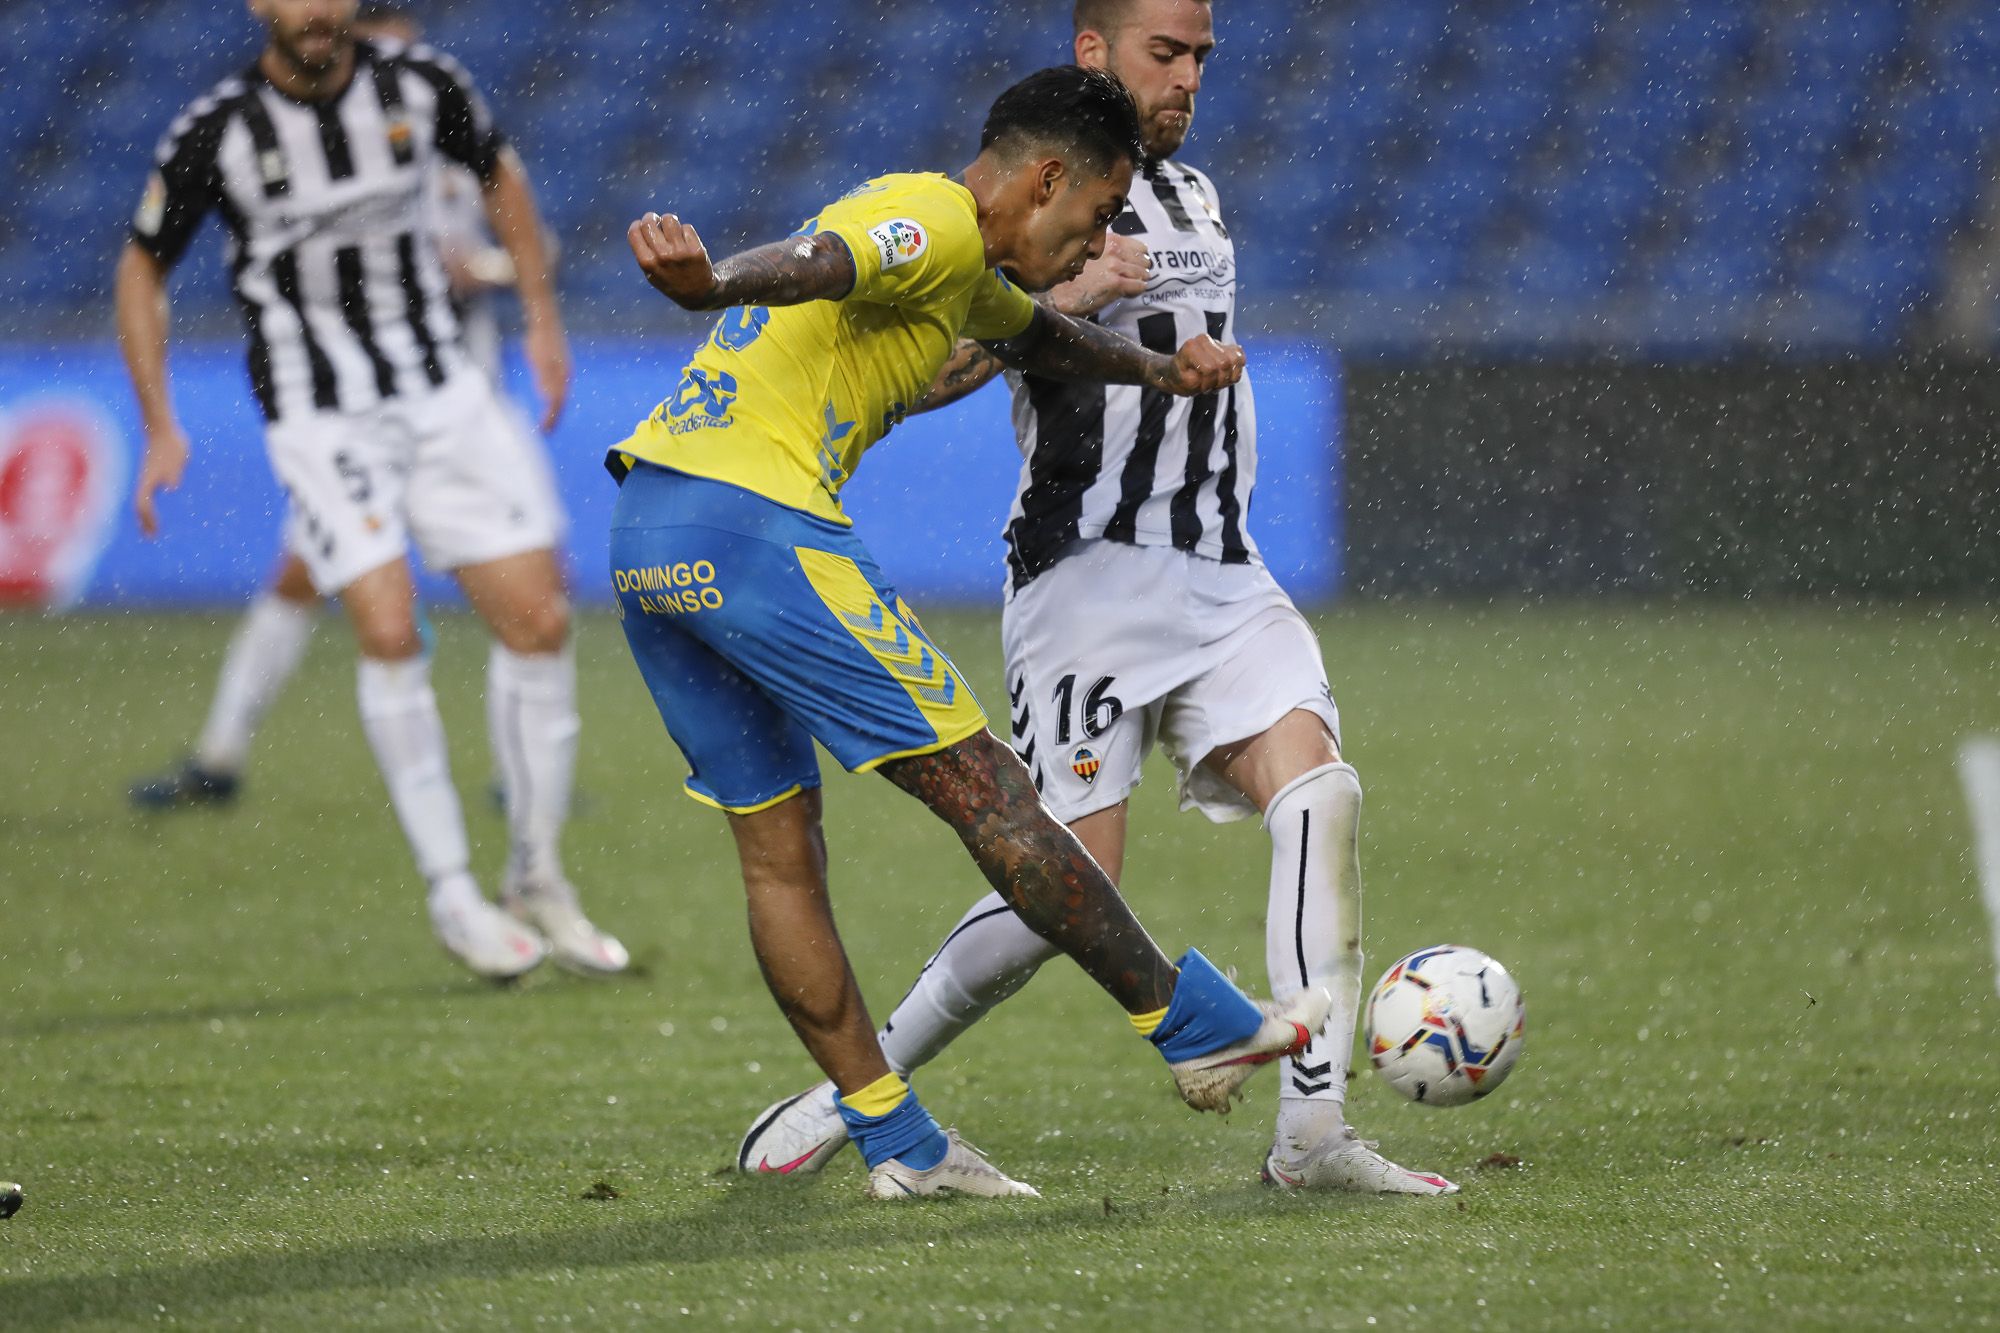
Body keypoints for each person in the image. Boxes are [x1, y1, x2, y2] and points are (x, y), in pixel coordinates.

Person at [736, 0, 1457, 1196]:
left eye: (1198, 60)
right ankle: (848, 1097)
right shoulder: (1035, 205)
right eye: (1161, 54)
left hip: (1221, 571)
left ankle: (1311, 1136)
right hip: (1084, 581)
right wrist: (1071, 299)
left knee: (1320, 793)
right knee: (1061, 889)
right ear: (1093, 53)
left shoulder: (1202, 198)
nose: (1184, 79)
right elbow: (928, 374)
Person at [611, 64, 1326, 1200]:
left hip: (651, 530)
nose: (1091, 243)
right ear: (1045, 179)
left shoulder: (966, 278)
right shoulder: (934, 219)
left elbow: (1046, 342)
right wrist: (714, 284)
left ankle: (900, 1145)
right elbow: (827, 262)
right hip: (756, 526)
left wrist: (1163, 372)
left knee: (778, 851)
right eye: (1091, 218)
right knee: (993, 794)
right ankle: (1188, 1020)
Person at [116, 0, 626, 979]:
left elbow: (499, 174)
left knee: (539, 621)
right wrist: (158, 422)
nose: (318, 12)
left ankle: (537, 877)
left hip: (442, 392)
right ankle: (452, 891)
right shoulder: (216, 131)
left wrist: (540, 314)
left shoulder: (422, 87)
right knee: (388, 629)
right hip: (321, 414)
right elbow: (142, 265)